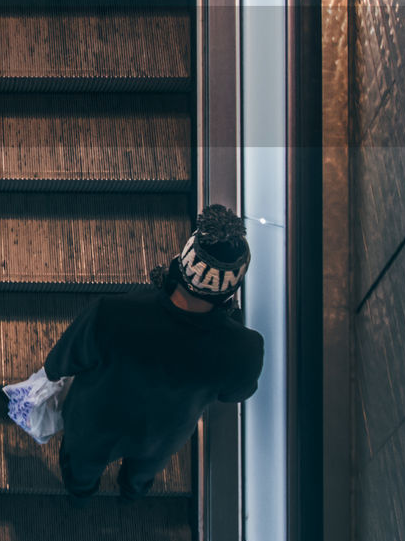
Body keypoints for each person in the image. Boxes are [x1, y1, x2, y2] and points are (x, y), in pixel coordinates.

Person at [43, 204, 265, 501]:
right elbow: (233, 394)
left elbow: (59, 363)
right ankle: (132, 491)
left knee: (82, 465)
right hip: (164, 432)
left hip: (94, 420)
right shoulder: (244, 349)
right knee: (145, 468)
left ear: (182, 263)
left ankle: (81, 492)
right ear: (230, 290)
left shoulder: (111, 313)